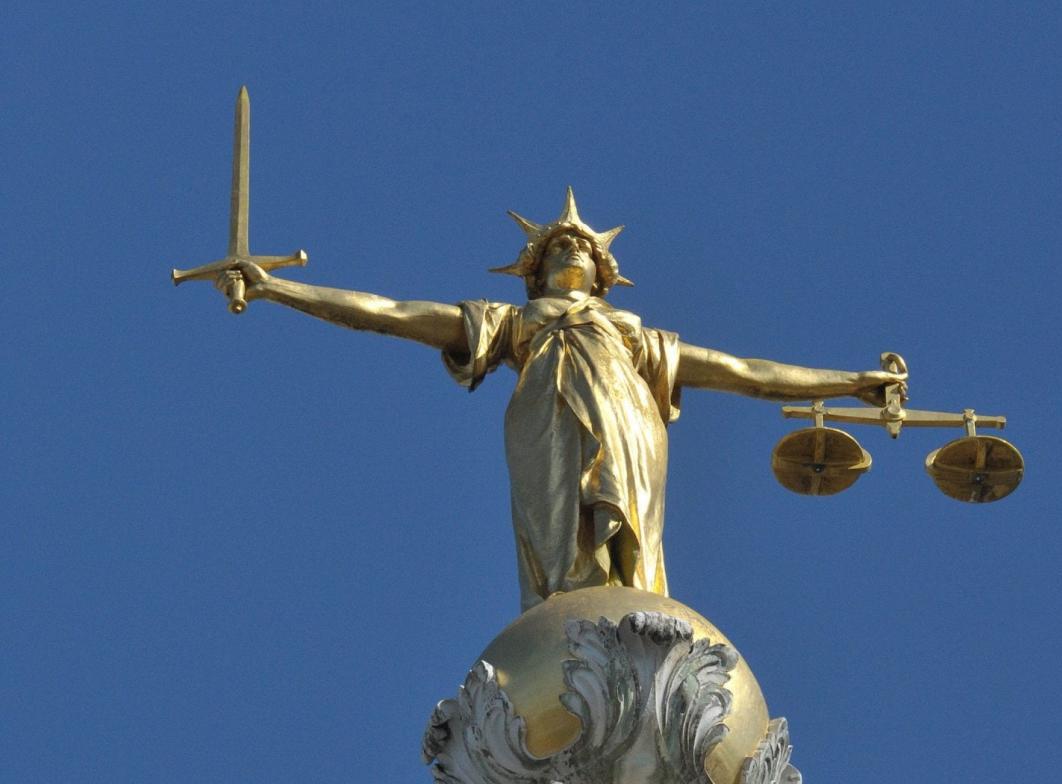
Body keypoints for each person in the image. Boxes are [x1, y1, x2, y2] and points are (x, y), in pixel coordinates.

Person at [216, 188, 904, 610]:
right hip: (543, 430)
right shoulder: (514, 325)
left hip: (630, 430)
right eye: (558, 247)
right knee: (559, 556)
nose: (571, 247)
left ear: (604, 276)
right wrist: (281, 289)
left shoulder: (632, 335)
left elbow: (742, 370)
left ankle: (629, 604)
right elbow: (392, 312)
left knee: (631, 555)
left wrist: (851, 383)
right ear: (536, 271)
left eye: (581, 246)